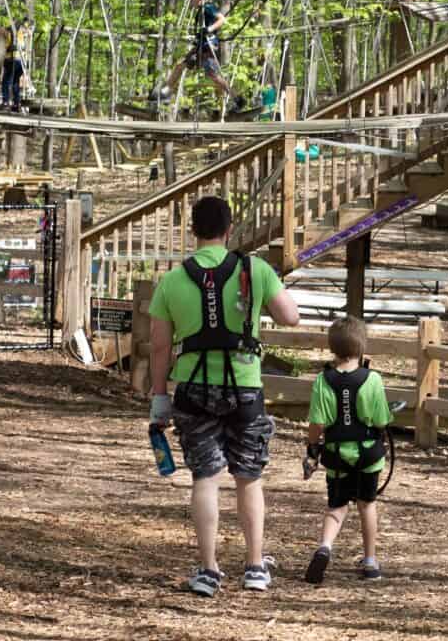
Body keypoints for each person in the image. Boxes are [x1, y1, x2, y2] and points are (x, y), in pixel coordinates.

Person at [147, 195, 300, 597]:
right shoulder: (256, 269)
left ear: (193, 231)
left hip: (193, 390)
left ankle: (209, 570)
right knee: (249, 478)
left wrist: (159, 398)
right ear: (229, 229)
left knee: (205, 477)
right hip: (246, 389)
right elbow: (290, 316)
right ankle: (254, 566)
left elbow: (159, 346)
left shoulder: (173, 280)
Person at [303, 315, 393, 585]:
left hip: (337, 454)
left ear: (332, 347)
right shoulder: (372, 379)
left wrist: (312, 449)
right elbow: (381, 421)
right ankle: (370, 561)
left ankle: (325, 547)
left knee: (336, 506)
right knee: (367, 505)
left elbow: (317, 423)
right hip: (368, 455)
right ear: (361, 346)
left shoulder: (323, 380)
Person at [161, 0, 231, 101]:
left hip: (207, 47)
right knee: (182, 66)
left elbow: (222, 20)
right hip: (201, 46)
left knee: (213, 75)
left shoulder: (208, 7)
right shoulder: (200, 10)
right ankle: (165, 93)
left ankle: (235, 97)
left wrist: (208, 29)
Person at [0, 18, 29, 113]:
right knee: (15, 82)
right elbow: (29, 33)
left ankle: (5, 102)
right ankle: (16, 103)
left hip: (11, 59)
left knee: (6, 81)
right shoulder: (22, 30)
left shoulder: (5, 29)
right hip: (21, 60)